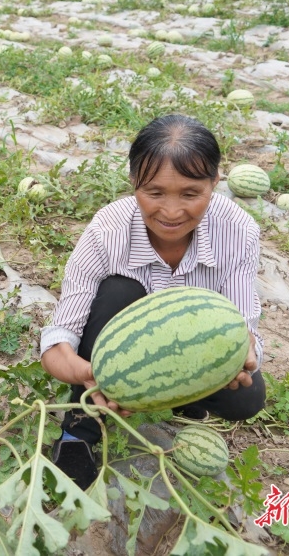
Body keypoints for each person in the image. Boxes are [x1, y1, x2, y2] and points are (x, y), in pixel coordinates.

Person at [40, 114, 266, 489]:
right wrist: (91, 375)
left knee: (247, 398)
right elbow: (60, 337)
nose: (172, 212)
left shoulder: (238, 230)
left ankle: (179, 396)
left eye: (191, 193)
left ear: (215, 182)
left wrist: (244, 354)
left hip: (193, 351)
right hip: (111, 349)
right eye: (155, 193)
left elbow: (243, 322)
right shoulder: (107, 230)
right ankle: (79, 432)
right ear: (133, 183)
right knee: (119, 289)